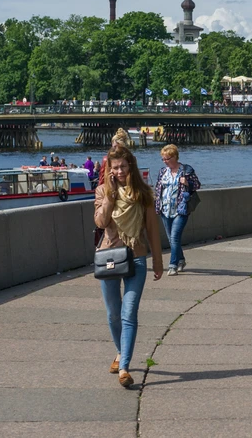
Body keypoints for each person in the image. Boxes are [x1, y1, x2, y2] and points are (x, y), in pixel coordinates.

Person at [94, 146, 163, 388]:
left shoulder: (143, 193)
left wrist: (158, 260)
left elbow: (152, 229)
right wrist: (111, 196)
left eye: (124, 166)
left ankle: (124, 367)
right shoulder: (102, 191)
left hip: (136, 257)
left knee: (129, 313)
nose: (120, 171)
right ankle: (119, 350)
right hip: (110, 256)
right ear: (109, 170)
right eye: (115, 167)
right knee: (113, 314)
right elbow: (101, 222)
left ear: (130, 166)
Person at [154, 144, 201, 275]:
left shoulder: (186, 170)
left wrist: (187, 183)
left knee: (174, 237)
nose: (165, 161)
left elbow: (197, 185)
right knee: (171, 238)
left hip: (181, 209)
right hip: (165, 209)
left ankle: (172, 265)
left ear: (174, 157)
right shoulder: (163, 172)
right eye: (163, 159)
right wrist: (157, 203)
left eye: (167, 158)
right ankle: (181, 260)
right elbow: (158, 189)